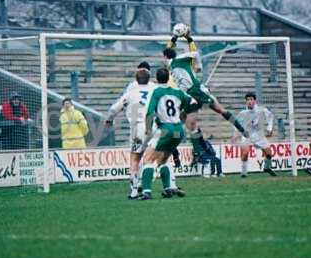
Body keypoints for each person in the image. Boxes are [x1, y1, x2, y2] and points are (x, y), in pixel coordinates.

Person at [163, 29, 249, 159]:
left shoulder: (181, 59)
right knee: (188, 123)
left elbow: (195, 53)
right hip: (188, 95)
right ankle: (200, 151)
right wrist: (174, 37)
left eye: (163, 56)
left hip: (196, 90)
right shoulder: (170, 63)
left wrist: (190, 42)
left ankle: (241, 130)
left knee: (216, 111)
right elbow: (168, 48)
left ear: (166, 56)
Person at [138, 67, 197, 200]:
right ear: (168, 78)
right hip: (178, 131)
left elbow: (150, 112)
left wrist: (148, 128)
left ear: (157, 79)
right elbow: (193, 102)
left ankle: (146, 191)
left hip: (165, 129)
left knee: (148, 159)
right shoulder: (178, 92)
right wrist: (183, 112)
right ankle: (168, 189)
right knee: (163, 159)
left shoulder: (157, 92)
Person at [106, 66, 157, 199]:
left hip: (138, 128)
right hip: (155, 127)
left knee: (135, 158)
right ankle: (146, 187)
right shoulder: (155, 90)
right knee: (150, 159)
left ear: (136, 79)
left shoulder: (131, 93)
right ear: (149, 79)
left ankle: (134, 189)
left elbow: (113, 109)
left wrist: (109, 120)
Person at [231, 93, 276, 177]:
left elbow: (270, 116)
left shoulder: (261, 110)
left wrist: (269, 128)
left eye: (251, 99)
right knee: (245, 153)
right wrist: (235, 134)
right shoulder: (243, 113)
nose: (249, 101)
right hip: (247, 135)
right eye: (248, 100)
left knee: (269, 154)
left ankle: (267, 168)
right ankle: (244, 173)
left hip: (259, 135)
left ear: (254, 101)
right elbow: (235, 123)